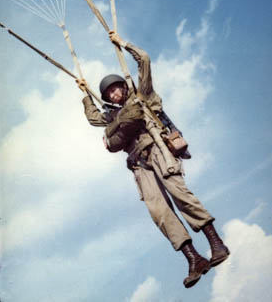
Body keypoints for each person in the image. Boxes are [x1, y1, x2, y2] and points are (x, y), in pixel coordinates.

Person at [77, 31, 229, 288]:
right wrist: (85, 94)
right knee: (159, 212)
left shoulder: (142, 95)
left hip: (159, 152)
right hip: (139, 166)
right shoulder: (113, 118)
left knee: (182, 197)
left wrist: (122, 43)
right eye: (109, 93)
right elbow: (93, 118)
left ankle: (216, 244)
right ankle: (194, 259)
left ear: (124, 87)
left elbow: (144, 60)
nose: (114, 94)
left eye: (117, 88)